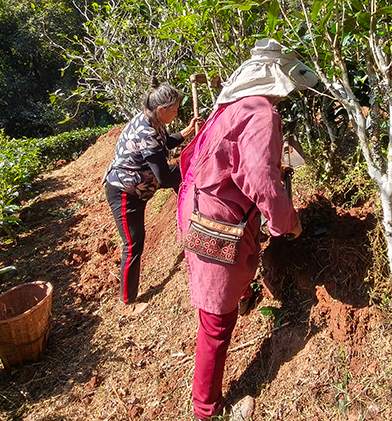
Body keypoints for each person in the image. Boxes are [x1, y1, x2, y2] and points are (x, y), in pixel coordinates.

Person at [176, 38, 318, 420]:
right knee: (216, 322)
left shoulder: (237, 107)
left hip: (201, 208)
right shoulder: (262, 113)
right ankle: (206, 409)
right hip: (217, 222)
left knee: (218, 306)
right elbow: (259, 178)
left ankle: (240, 296)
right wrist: (288, 222)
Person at [104, 80, 198, 315]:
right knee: (133, 243)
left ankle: (191, 213)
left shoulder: (152, 120)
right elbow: (164, 177)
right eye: (174, 111)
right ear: (162, 109)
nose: (176, 114)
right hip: (125, 193)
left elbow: (163, 144)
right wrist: (191, 171)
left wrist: (185, 133)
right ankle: (128, 301)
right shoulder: (146, 131)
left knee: (181, 173)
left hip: (140, 185)